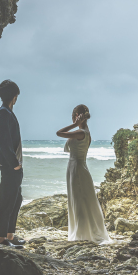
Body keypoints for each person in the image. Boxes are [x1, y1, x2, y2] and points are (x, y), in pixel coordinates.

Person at [56, 104, 112, 244]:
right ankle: (84, 231)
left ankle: (83, 234)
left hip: (77, 168)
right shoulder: (85, 131)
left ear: (77, 116)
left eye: (73, 115)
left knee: (79, 200)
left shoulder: (81, 132)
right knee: (80, 199)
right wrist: (77, 125)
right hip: (77, 167)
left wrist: (73, 125)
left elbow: (59, 133)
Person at [0, 80, 25, 247]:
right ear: (14, 97)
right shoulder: (3, 113)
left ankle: (10, 235)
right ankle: (1, 238)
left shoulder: (7, 112)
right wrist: (14, 163)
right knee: (7, 200)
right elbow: (3, 142)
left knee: (16, 199)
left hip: (13, 164)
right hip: (9, 164)